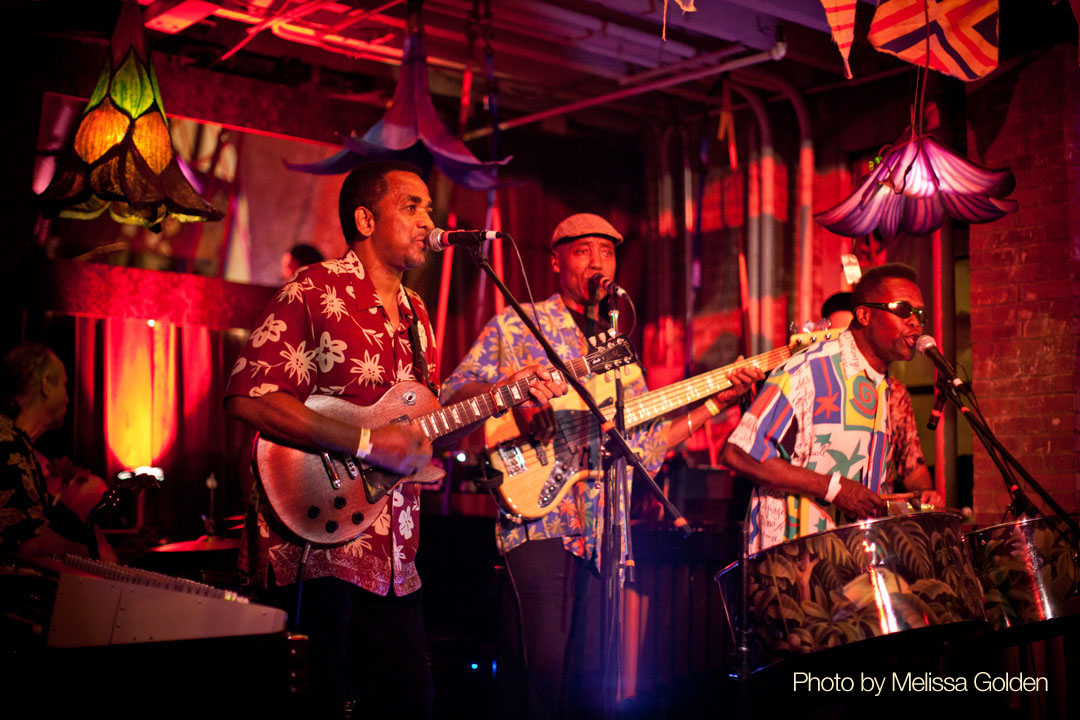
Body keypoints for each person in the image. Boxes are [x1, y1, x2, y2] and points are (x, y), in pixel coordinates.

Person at [224, 160, 564, 719]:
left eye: (429, 207)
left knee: (408, 701)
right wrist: (363, 442)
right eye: (411, 207)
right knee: (319, 701)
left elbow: (422, 418)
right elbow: (250, 397)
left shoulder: (416, 313)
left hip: (393, 550)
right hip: (316, 541)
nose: (428, 219)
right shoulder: (315, 289)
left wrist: (505, 389)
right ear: (364, 219)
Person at [441, 212, 763, 719]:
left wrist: (716, 404)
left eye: (608, 251)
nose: (598, 261)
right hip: (538, 522)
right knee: (538, 674)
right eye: (583, 250)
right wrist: (513, 395)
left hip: (604, 532)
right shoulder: (516, 324)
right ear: (555, 261)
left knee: (590, 680)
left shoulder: (621, 356)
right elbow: (455, 394)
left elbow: (648, 448)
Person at [722, 263, 942, 553]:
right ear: (864, 314)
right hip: (793, 565)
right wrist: (833, 488)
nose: (915, 322)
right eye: (902, 309)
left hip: (852, 561)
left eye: (919, 313)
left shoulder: (884, 386)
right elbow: (740, 453)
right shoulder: (807, 371)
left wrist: (916, 499)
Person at [0, 342, 112, 561]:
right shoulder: (7, 444)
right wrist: (96, 555)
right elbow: (29, 544)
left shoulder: (19, 446)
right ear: (45, 385)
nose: (68, 398)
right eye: (63, 385)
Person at [821, 290, 933, 498]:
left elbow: (911, 464)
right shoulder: (813, 382)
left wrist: (925, 493)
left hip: (874, 518)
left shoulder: (894, 392)